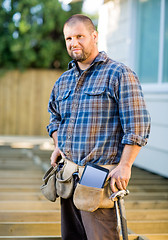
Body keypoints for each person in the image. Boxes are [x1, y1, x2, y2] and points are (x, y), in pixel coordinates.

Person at [47, 14, 150, 240]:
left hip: (96, 174)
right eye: (68, 38)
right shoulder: (63, 81)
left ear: (94, 36)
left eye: (80, 36)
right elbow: (54, 118)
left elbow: (138, 124)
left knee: (99, 235)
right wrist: (58, 145)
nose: (74, 42)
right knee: (72, 236)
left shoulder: (118, 74)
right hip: (67, 172)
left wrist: (125, 165)